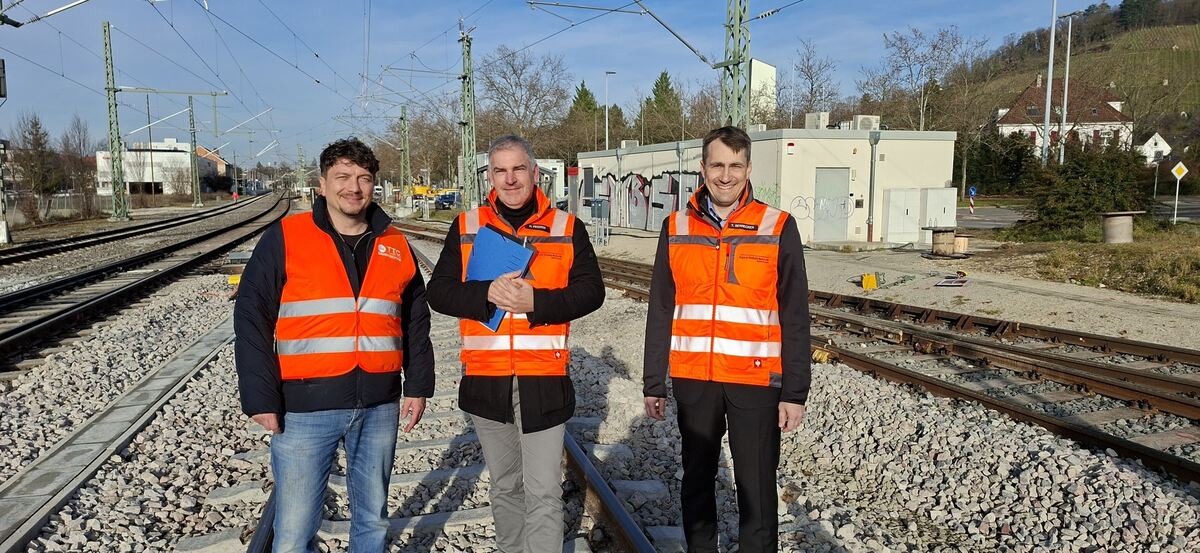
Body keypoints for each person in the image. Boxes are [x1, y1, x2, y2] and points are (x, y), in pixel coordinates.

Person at [234, 137, 434, 552]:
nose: (353, 187)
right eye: (342, 177)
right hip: (305, 409)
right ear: (322, 184)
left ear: (374, 184)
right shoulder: (286, 237)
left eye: (363, 178)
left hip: (379, 405)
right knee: (294, 532)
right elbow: (251, 317)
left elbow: (415, 319)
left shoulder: (395, 243)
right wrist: (260, 397)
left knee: (373, 521)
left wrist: (417, 385)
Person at [426, 134, 604, 552]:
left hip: (544, 377)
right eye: (500, 170)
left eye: (518, 169)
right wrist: (485, 293)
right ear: (489, 176)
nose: (509, 179)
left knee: (543, 490)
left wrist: (537, 302)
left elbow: (591, 292)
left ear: (534, 173)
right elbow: (439, 293)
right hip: (486, 378)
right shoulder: (467, 226)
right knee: (505, 486)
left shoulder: (566, 228)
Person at [642, 126, 811, 553]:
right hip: (694, 380)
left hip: (755, 380)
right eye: (717, 165)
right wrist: (652, 382)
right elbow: (661, 307)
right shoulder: (676, 226)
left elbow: (795, 314)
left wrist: (795, 391)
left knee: (757, 488)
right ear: (703, 168)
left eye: (735, 165)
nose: (725, 175)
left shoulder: (777, 226)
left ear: (749, 169)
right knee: (697, 482)